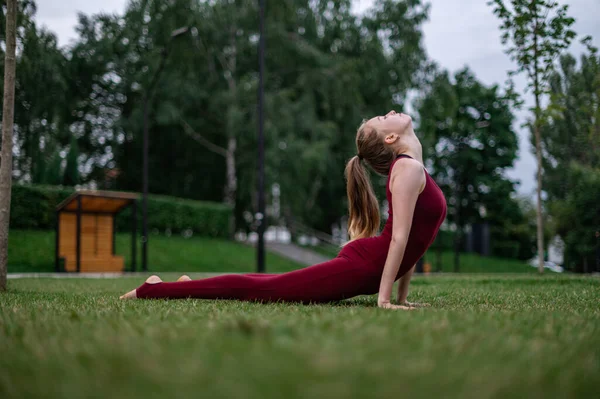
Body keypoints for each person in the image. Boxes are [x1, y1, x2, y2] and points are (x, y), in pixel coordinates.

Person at [120, 110, 447, 310]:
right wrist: (385, 300)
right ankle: (155, 289)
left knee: (268, 283)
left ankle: (183, 286)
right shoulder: (408, 170)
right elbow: (399, 240)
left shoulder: (411, 168)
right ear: (391, 137)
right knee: (264, 289)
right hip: (363, 266)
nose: (390, 111)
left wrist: (401, 299)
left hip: (368, 263)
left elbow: (411, 245)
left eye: (381, 116)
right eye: (383, 117)